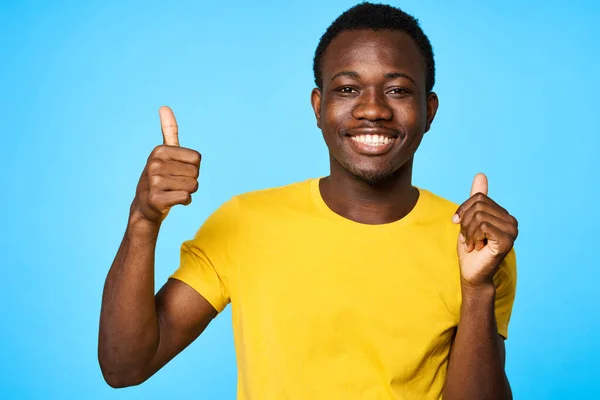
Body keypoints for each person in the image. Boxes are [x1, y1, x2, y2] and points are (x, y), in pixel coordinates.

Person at [98, 2, 518, 399]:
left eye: (397, 91)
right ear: (319, 107)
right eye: (349, 88)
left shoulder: (474, 240)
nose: (372, 109)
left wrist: (477, 289)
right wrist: (143, 219)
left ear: (429, 111)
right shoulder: (246, 223)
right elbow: (125, 367)